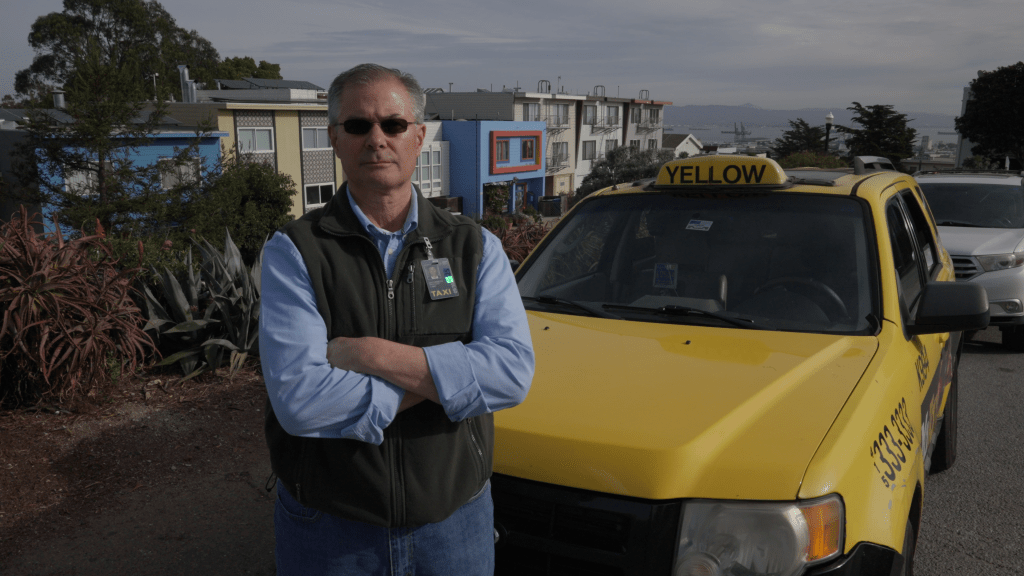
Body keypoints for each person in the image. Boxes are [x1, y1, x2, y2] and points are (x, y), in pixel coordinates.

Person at [258, 63, 535, 575]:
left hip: (455, 526)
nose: (377, 139)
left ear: (419, 137)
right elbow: (300, 402)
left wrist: (369, 355)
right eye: (357, 125)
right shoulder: (294, 252)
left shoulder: (475, 248)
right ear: (335, 138)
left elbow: (511, 374)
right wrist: (450, 381)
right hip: (330, 531)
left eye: (393, 124)